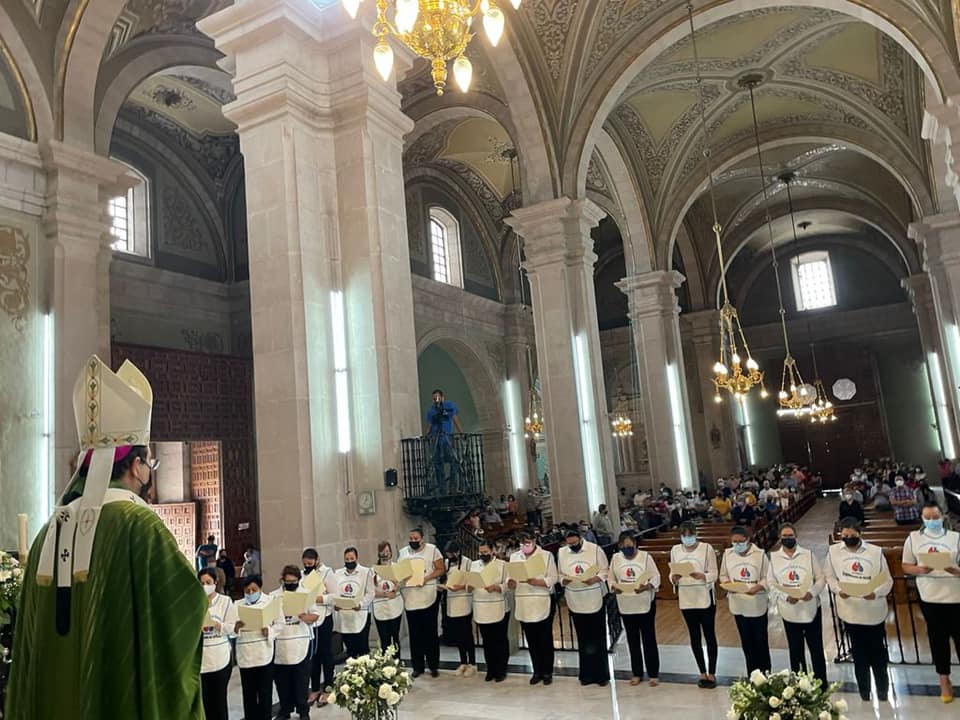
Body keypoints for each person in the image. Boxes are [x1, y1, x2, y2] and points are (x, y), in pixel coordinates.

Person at [6, 356, 206, 720]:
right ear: (135, 465)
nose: (149, 472)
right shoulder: (140, 527)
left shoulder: (47, 533)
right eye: (150, 464)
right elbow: (183, 610)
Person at [825, 518, 893, 702]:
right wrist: (839, 590)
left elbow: (887, 581)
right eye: (844, 536)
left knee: (878, 653)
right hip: (850, 611)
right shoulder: (833, 552)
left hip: (873, 611)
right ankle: (864, 691)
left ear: (859, 534)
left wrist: (876, 593)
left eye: (851, 535)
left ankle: (883, 690)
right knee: (859, 654)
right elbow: (830, 577)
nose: (847, 538)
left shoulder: (875, 552)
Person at [901, 502, 960, 703]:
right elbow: (906, 565)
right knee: (938, 639)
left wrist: (954, 570)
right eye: (927, 518)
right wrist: (920, 570)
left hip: (955, 596)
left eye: (935, 517)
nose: (931, 521)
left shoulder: (955, 538)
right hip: (930, 597)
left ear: (943, 517)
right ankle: (944, 680)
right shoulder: (914, 538)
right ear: (922, 519)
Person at [767, 523, 828, 687]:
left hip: (810, 608)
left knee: (816, 649)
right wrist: (786, 596)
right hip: (789, 610)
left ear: (796, 536)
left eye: (790, 536)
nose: (788, 539)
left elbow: (821, 577)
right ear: (780, 538)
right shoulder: (774, 558)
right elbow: (771, 583)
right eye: (785, 536)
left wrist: (812, 592)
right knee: (796, 650)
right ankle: (800, 685)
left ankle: (821, 684)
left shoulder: (808, 555)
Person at [558, 528, 610, 686]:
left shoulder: (595, 549)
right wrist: (564, 581)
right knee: (583, 638)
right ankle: (586, 674)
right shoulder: (562, 552)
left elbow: (605, 570)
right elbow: (560, 574)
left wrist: (594, 578)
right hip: (575, 597)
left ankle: (601, 675)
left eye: (575, 543)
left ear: (580, 539)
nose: (572, 546)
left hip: (593, 596)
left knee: (598, 637)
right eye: (569, 544)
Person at [670, 521, 719, 689]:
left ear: (695, 534)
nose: (687, 538)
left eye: (690, 535)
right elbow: (672, 573)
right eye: (684, 536)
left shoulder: (707, 549)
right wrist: (674, 577)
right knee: (694, 636)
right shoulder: (675, 550)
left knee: (709, 634)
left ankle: (712, 672)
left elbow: (714, 573)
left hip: (704, 597)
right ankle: (701, 672)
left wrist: (703, 576)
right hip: (686, 598)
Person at [508, 530, 558, 685]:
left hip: (540, 599)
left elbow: (553, 578)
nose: (525, 546)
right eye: (522, 543)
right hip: (523, 601)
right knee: (531, 639)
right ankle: (536, 670)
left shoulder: (546, 555)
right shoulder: (515, 557)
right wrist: (511, 582)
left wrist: (538, 582)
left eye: (528, 542)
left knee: (544, 639)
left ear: (535, 541)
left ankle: (547, 671)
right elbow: (511, 577)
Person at [610, 531, 660, 686]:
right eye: (624, 546)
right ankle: (636, 672)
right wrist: (614, 587)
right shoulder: (616, 558)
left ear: (635, 544)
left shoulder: (646, 557)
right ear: (619, 546)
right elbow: (611, 578)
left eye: (630, 546)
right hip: (626, 603)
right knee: (632, 639)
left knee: (649, 638)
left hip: (644, 602)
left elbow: (656, 576)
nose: (627, 549)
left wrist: (648, 586)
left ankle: (653, 674)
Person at [719, 526, 771, 674]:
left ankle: (766, 674)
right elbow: (723, 575)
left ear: (748, 540)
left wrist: (759, 586)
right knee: (746, 643)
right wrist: (728, 584)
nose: (736, 545)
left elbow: (768, 577)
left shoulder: (760, 554)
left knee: (760, 641)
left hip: (756, 603)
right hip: (738, 603)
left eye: (740, 541)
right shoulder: (728, 554)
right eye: (734, 542)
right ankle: (753, 675)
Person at [273, 565, 319, 719]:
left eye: (293, 582)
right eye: (287, 582)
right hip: (281, 643)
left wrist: (303, 616)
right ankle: (285, 709)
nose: (290, 584)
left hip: (300, 643)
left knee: (301, 681)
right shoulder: (274, 596)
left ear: (299, 581)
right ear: (282, 580)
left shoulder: (305, 594)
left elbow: (315, 616)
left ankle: (303, 710)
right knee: (282, 681)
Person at [398, 527, 445, 677]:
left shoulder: (432, 550)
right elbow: (400, 571)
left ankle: (433, 665)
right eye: (410, 539)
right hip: (411, 597)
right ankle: (417, 666)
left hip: (428, 595)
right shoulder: (403, 553)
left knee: (430, 633)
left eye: (415, 539)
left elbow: (440, 569)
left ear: (422, 538)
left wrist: (426, 578)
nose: (412, 541)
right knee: (415, 634)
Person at [235, 575, 281, 720]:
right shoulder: (237, 604)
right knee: (248, 694)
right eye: (247, 590)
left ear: (260, 588)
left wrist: (270, 631)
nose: (250, 593)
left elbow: (280, 624)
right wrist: (236, 627)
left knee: (265, 692)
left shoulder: (271, 602)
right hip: (245, 654)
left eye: (254, 590)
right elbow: (230, 628)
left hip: (263, 653)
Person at [199, 568, 238, 720]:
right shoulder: (194, 602)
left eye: (208, 582)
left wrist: (217, 625)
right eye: (202, 583)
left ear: (215, 582)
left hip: (220, 657)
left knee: (219, 700)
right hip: (201, 658)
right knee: (204, 701)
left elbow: (232, 626)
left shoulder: (225, 601)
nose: (205, 586)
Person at [469, 540, 510, 682]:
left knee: (499, 640)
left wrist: (497, 588)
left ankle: (501, 670)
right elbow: (470, 582)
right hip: (481, 606)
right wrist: (469, 585)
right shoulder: (474, 565)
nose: (483, 554)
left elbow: (508, 584)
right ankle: (490, 669)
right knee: (486, 640)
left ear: (493, 551)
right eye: (481, 552)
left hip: (498, 605)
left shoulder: (503, 565)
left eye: (486, 552)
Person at [302, 548, 338, 707]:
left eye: (310, 563)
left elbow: (335, 596)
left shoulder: (327, 572)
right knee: (312, 656)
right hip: (310, 621)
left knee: (326, 654)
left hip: (324, 618)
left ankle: (328, 687)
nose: (308, 566)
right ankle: (315, 688)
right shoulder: (303, 575)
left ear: (317, 561)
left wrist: (318, 598)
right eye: (305, 564)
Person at [443, 541, 476, 676]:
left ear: (457, 552)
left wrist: (461, 587)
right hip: (452, 602)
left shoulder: (468, 563)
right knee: (458, 635)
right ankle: (463, 662)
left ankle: (472, 663)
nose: (450, 556)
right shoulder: (446, 563)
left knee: (467, 633)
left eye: (451, 554)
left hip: (464, 600)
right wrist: (444, 586)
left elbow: (472, 582)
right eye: (448, 554)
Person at [424, 388, 464, 494]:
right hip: (436, 439)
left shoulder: (449, 406)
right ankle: (443, 489)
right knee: (438, 465)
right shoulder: (431, 411)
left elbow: (455, 419)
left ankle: (452, 486)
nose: (436, 400)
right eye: (434, 398)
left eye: (438, 397)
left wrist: (461, 432)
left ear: (442, 397)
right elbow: (429, 425)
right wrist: (426, 436)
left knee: (454, 461)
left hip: (447, 439)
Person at [373, 541, 404, 654]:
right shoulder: (373, 570)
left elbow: (401, 583)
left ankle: (397, 662)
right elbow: (371, 591)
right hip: (380, 607)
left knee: (395, 636)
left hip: (394, 606)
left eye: (387, 551)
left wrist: (395, 584)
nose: (385, 554)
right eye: (383, 551)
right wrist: (385, 594)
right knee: (384, 638)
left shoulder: (396, 567)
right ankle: (386, 664)